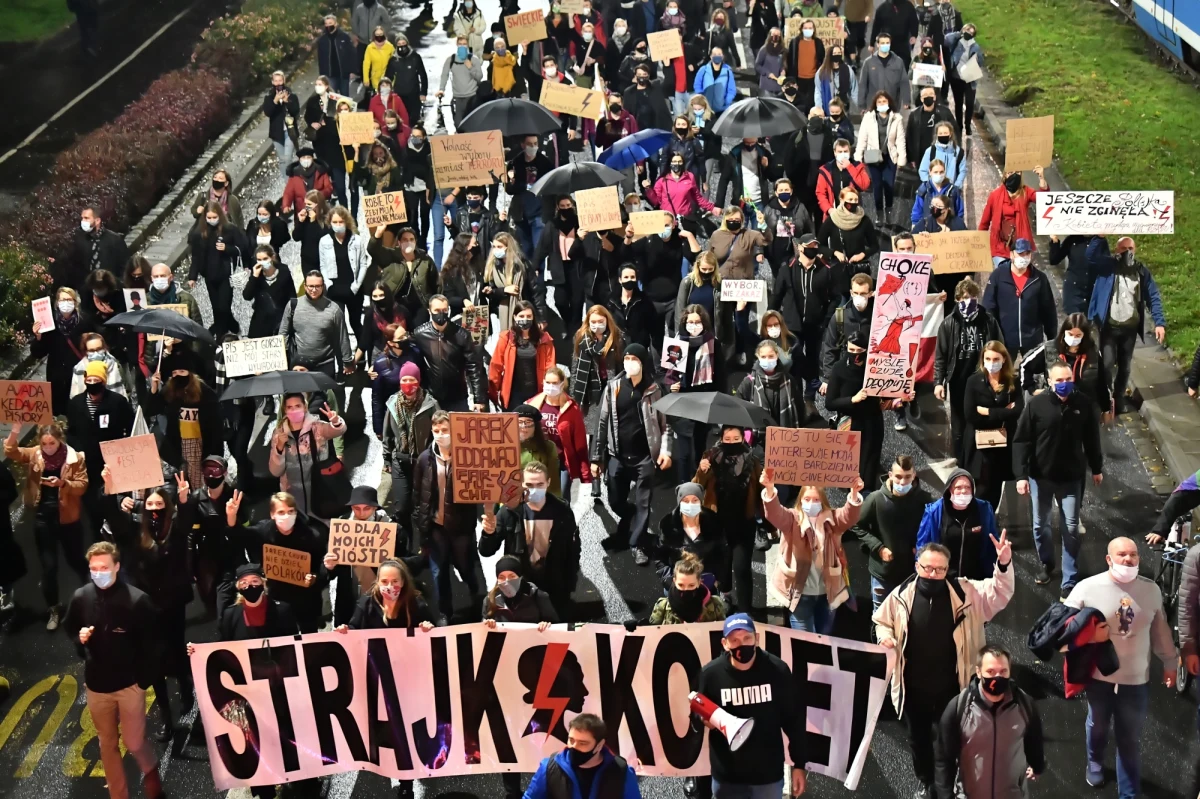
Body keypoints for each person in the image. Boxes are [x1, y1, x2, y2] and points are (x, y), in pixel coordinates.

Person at [874, 538, 1014, 799]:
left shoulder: (966, 592)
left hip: (953, 686)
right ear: (917, 566)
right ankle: (927, 781)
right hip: (913, 687)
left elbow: (999, 593)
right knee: (918, 741)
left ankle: (951, 784)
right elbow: (881, 621)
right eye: (928, 568)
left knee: (952, 740)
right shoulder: (901, 595)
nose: (933, 574)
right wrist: (885, 636)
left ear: (948, 569)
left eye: (939, 570)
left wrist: (1003, 564)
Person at [1064, 537, 1178, 796]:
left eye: (1133, 555)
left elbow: (1160, 632)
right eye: (1122, 554)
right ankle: (1094, 759)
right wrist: (1091, 637)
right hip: (1099, 676)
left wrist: (1170, 662)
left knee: (1129, 737)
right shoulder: (1087, 588)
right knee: (1098, 723)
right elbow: (1060, 630)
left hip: (1136, 680)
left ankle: (1128, 793)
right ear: (1109, 559)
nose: (1128, 559)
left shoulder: (1151, 591)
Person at [63, 542, 164, 799]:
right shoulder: (81, 597)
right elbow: (70, 628)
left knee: (134, 741)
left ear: (117, 566)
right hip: (97, 687)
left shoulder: (138, 601)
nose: (99, 573)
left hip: (129, 686)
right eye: (93, 568)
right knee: (107, 744)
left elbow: (155, 645)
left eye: (104, 567)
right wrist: (80, 638)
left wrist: (142, 682)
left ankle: (150, 769)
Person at [1014, 361, 1104, 592]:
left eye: (1068, 379)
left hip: (1071, 478)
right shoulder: (1036, 405)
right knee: (1039, 525)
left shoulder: (1083, 404)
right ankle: (1047, 563)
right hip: (1040, 477)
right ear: (1050, 381)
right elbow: (1022, 441)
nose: (1064, 384)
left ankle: (1069, 577)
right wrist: (1021, 475)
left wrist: (1096, 468)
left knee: (1071, 527)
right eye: (1059, 380)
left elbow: (1092, 439)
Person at [697, 613, 809, 797]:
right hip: (727, 777)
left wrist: (799, 764)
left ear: (757, 638)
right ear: (725, 644)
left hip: (767, 776)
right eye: (734, 640)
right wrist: (703, 718)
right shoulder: (711, 675)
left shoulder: (778, 671)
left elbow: (794, 720)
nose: (742, 645)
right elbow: (697, 714)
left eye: (747, 638)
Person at [590, 344, 672, 564]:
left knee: (643, 501)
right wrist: (596, 458)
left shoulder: (655, 390)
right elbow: (601, 423)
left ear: (643, 362)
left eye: (634, 358)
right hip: (617, 455)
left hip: (645, 458)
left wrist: (665, 451)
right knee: (615, 501)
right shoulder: (613, 388)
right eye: (626, 358)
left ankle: (639, 544)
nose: (629, 362)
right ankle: (633, 517)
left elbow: (666, 425)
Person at [6, 422, 88, 630]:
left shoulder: (75, 458)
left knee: (77, 560)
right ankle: (53, 607)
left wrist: (62, 484)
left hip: (68, 517)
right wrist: (15, 431)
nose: (48, 447)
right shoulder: (35, 454)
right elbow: (12, 452)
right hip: (43, 517)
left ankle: (91, 599)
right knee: (49, 566)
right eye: (44, 443)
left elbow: (82, 485)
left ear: (60, 440)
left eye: (51, 443)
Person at [935, 646, 1046, 799]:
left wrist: (1037, 765)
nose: (997, 677)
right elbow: (944, 759)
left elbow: (1034, 741)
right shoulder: (959, 707)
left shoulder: (1024, 705)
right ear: (978, 672)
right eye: (991, 672)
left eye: (1003, 671)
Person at [761, 466, 863, 632]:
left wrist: (853, 494)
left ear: (822, 502)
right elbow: (774, 513)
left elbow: (849, 516)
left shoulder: (833, 519)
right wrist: (770, 489)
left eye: (816, 500)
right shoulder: (792, 519)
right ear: (800, 500)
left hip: (827, 594)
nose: (811, 503)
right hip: (800, 595)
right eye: (807, 499)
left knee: (824, 638)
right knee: (805, 642)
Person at [481, 461, 581, 618]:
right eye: (529, 484)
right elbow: (486, 550)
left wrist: (570, 581)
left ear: (548, 483)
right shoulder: (508, 512)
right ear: (521, 483)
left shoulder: (562, 512)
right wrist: (489, 533)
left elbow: (573, 550)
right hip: (522, 585)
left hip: (554, 583)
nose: (534, 489)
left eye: (539, 484)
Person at [414, 411, 486, 621]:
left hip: (461, 526)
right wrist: (422, 526)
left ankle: (476, 593)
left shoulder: (467, 457)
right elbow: (418, 495)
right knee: (438, 572)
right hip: (436, 526)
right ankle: (445, 611)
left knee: (465, 566)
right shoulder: (425, 459)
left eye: (445, 430)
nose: (440, 435)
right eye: (436, 431)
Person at [226, 491, 328, 633]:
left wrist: (315, 578)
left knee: (308, 640)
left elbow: (324, 567)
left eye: (290, 511)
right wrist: (231, 516)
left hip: (305, 599)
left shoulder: (311, 536)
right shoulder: (263, 531)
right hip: (276, 597)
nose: (286, 516)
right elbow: (239, 535)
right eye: (281, 512)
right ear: (272, 514)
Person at [1085, 236, 1167, 413]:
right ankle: (1105, 398)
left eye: (1130, 248)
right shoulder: (1107, 267)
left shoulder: (1141, 271)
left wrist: (1159, 322)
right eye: (1123, 249)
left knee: (1125, 366)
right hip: (1109, 326)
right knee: (1106, 364)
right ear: (1116, 251)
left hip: (1129, 328)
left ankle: (1118, 397)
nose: (1127, 252)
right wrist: (1099, 238)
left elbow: (1153, 296)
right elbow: (1090, 256)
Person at [933, 277, 1001, 464]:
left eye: (971, 297)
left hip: (983, 381)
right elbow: (941, 356)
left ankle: (982, 461)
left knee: (983, 421)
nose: (968, 301)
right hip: (959, 382)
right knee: (959, 428)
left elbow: (999, 348)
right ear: (956, 300)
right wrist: (939, 382)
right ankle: (961, 463)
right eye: (963, 298)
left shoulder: (988, 321)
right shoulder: (948, 324)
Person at [851, 455, 930, 613]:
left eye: (907, 477)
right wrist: (879, 548)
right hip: (882, 573)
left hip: (911, 572)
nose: (902, 482)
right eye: (899, 477)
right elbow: (857, 525)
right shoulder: (875, 499)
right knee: (880, 614)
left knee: (907, 614)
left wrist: (922, 547)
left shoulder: (924, 500)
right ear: (890, 475)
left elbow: (932, 529)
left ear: (914, 475)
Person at [771, 234, 836, 417]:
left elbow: (834, 297)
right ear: (799, 247)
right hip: (792, 325)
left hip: (815, 325)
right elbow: (777, 296)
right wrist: (770, 320)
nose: (813, 248)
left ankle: (810, 400)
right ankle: (797, 399)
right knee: (795, 361)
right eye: (809, 245)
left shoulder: (826, 270)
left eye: (816, 245)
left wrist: (825, 319)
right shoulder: (787, 269)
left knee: (814, 360)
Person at [66, 360, 133, 529]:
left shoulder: (118, 402)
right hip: (87, 465)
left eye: (97, 381)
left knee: (113, 504)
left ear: (104, 382)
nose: (93, 384)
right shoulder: (76, 403)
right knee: (92, 507)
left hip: (112, 463)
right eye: (90, 381)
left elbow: (131, 428)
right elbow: (71, 432)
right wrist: (78, 451)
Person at [982, 239, 1057, 387]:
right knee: (1003, 377)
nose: (1024, 257)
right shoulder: (998, 276)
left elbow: (1048, 309)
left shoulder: (1039, 278)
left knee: (1034, 378)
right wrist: (993, 335)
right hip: (1005, 338)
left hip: (1032, 337)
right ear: (1011, 254)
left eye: (1027, 253)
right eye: (1020, 253)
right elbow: (989, 307)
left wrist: (1052, 337)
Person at [826, 331, 895, 489]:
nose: (855, 355)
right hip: (850, 421)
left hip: (872, 420)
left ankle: (867, 492)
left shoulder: (876, 368)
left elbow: (887, 397)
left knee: (870, 460)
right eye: (851, 350)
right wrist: (852, 400)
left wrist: (901, 399)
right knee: (849, 461)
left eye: (859, 351)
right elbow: (830, 403)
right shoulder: (839, 369)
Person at [961, 340, 1023, 511]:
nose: (992, 363)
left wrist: (988, 412)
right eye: (988, 359)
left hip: (1002, 443)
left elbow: (1017, 411)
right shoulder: (973, 382)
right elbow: (971, 415)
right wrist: (1003, 412)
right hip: (979, 445)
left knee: (996, 486)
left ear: (1004, 359)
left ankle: (989, 520)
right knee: (981, 487)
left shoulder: (1013, 381)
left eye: (996, 359)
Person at [524, 714, 640, 799]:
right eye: (571, 740)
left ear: (599, 745)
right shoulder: (548, 767)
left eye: (582, 743)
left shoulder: (622, 771)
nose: (573, 746)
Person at [268, 394, 346, 517]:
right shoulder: (279, 433)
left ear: (305, 407)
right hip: (292, 496)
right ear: (285, 410)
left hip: (320, 491)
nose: (294, 410)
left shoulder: (317, 427)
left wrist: (335, 421)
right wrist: (279, 447)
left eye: (297, 406)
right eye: (290, 407)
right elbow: (275, 472)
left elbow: (338, 430)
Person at [916, 469, 999, 581]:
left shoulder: (983, 509)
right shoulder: (934, 512)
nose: (963, 491)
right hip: (943, 579)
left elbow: (992, 542)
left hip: (976, 581)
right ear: (950, 489)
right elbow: (922, 547)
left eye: (968, 487)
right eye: (958, 487)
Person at [411, 294, 487, 412]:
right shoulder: (420, 334)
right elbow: (411, 360)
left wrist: (479, 399)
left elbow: (474, 367)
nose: (441, 313)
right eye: (437, 310)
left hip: (457, 396)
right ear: (429, 311)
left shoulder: (462, 335)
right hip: (431, 397)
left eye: (444, 310)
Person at [527, 367, 591, 498]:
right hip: (539, 461)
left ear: (562, 384)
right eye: (548, 382)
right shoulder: (532, 405)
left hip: (562, 462)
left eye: (555, 383)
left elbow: (580, 442)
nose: (551, 386)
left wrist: (585, 472)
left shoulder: (571, 409)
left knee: (561, 500)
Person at [654, 481, 728, 594]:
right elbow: (660, 558)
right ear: (679, 503)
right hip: (678, 586)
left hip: (705, 585)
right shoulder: (668, 527)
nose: (690, 504)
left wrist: (717, 579)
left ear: (701, 502)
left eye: (695, 500)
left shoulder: (714, 525)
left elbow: (722, 556)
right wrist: (669, 581)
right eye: (685, 501)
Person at [187, 202, 248, 338]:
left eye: (214, 217)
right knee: (217, 307)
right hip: (209, 275)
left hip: (225, 274)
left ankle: (222, 331)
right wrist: (193, 276)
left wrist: (227, 249)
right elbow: (195, 256)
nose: (211, 220)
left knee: (224, 306)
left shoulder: (229, 229)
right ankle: (226, 329)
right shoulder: (199, 233)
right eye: (208, 217)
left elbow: (241, 248)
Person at [279, 271, 355, 379]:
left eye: (317, 286)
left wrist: (347, 362)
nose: (314, 290)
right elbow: (283, 333)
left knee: (325, 395)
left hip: (324, 364)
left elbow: (342, 337)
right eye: (311, 286)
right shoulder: (293, 305)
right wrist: (282, 359)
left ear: (323, 286)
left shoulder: (333, 309)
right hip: (300, 364)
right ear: (305, 286)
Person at [33, 287, 91, 416]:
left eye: (69, 299)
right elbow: (38, 353)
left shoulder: (84, 321)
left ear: (75, 303)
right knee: (57, 410)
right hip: (56, 375)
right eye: (63, 300)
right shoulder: (48, 322)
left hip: (78, 374)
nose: (66, 303)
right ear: (57, 303)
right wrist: (38, 337)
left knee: (77, 410)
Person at [1047, 313, 1111, 422]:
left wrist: (1106, 409)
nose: (1073, 338)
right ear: (1064, 332)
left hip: (1086, 407)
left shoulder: (1093, 354)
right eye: (1070, 334)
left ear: (1084, 335)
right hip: (1058, 408)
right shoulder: (1051, 349)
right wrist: (1032, 389)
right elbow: (1026, 366)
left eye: (1078, 336)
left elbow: (1101, 383)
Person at [817, 187, 877, 301]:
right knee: (841, 302)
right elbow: (819, 245)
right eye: (850, 199)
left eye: (856, 200)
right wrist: (834, 253)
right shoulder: (832, 220)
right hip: (839, 270)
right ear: (841, 199)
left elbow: (874, 245)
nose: (853, 203)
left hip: (859, 270)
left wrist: (862, 254)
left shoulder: (864, 220)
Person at [979, 168, 1046, 266]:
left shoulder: (1025, 192)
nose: (1014, 175)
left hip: (1021, 247)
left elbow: (1044, 200)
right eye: (1011, 172)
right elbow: (984, 223)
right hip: (1000, 247)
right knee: (1004, 277)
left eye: (1018, 172)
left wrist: (1041, 177)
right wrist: (979, 246)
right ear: (1005, 175)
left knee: (1020, 277)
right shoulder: (995, 195)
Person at [855, 91, 906, 216]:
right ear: (875, 104)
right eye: (879, 102)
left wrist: (901, 159)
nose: (882, 104)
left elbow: (900, 140)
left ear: (889, 102)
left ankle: (888, 210)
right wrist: (858, 156)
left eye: (884, 101)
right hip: (873, 157)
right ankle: (879, 213)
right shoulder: (868, 118)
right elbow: (862, 138)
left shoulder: (896, 119)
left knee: (889, 186)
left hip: (890, 157)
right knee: (877, 186)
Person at [243, 245, 297, 338]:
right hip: (261, 322)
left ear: (272, 257)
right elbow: (247, 296)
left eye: (265, 258)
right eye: (259, 260)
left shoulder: (284, 271)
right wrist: (254, 277)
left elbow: (292, 295)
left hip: (280, 320)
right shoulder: (256, 276)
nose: (262, 262)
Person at [72, 207, 131, 287]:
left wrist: (119, 284)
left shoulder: (114, 240)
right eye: (82, 218)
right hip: (87, 290)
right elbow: (76, 266)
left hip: (111, 288)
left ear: (97, 220)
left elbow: (125, 265)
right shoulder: (79, 239)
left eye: (86, 218)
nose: (83, 221)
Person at [815, 138, 871, 221]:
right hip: (833, 214)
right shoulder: (826, 170)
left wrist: (850, 167)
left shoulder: (857, 167)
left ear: (849, 152)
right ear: (835, 153)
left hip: (853, 213)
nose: (843, 154)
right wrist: (829, 209)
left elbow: (864, 185)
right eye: (840, 152)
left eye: (845, 151)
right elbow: (820, 193)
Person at [606, 265, 656, 351]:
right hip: (616, 348)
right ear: (620, 280)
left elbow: (652, 326)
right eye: (626, 277)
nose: (629, 280)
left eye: (632, 277)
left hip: (638, 348)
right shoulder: (610, 302)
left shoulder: (645, 301)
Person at [945, 24, 982, 138]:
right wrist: (959, 33)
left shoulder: (975, 46)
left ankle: (968, 125)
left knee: (970, 103)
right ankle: (959, 125)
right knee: (958, 103)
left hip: (969, 79)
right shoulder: (956, 41)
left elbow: (981, 61)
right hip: (956, 78)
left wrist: (976, 59)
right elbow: (946, 38)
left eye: (971, 32)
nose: (968, 33)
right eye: (967, 30)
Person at [438, 36, 484, 128]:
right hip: (457, 98)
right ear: (457, 44)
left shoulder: (474, 59)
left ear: (468, 45)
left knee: (473, 125)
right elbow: (444, 75)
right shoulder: (451, 60)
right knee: (458, 125)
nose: (462, 46)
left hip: (472, 97)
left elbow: (479, 77)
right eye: (460, 44)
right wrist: (441, 89)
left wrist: (470, 67)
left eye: (464, 44)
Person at [857, 34, 908, 114]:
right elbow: (863, 84)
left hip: (892, 104)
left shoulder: (898, 62)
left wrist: (906, 100)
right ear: (878, 44)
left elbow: (904, 82)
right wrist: (861, 105)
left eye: (887, 43)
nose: (885, 45)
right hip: (873, 105)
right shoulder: (868, 62)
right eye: (883, 43)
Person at [262, 71, 300, 179]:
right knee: (282, 159)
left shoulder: (292, 96)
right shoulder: (269, 98)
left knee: (287, 158)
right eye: (276, 81)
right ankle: (287, 183)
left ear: (284, 81)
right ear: (273, 82)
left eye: (280, 80)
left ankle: (292, 180)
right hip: (277, 133)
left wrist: (287, 102)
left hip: (290, 130)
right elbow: (267, 112)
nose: (278, 83)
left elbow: (296, 111)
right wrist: (275, 101)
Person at [912, 158, 965, 230]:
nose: (939, 175)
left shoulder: (953, 190)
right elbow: (917, 210)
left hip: (949, 228)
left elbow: (959, 211)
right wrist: (915, 226)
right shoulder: (924, 190)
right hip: (928, 229)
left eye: (941, 172)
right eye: (935, 172)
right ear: (930, 172)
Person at [387, 33, 429, 124]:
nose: (402, 46)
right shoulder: (393, 60)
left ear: (407, 43)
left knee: (414, 119)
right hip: (399, 96)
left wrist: (423, 93)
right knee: (402, 120)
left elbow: (423, 75)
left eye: (403, 43)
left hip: (414, 95)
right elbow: (388, 78)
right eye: (399, 44)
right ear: (396, 46)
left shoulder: (415, 57)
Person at [318, 14, 357, 94]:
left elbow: (352, 54)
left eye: (330, 23)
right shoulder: (322, 40)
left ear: (335, 24)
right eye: (326, 24)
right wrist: (322, 75)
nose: (328, 25)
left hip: (344, 73)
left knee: (345, 97)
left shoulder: (344, 37)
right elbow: (321, 59)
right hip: (330, 75)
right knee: (332, 97)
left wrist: (352, 71)